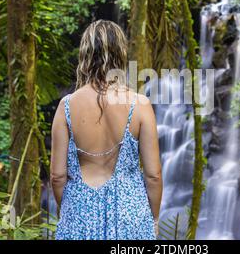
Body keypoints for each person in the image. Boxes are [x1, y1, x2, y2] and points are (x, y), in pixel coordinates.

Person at [50, 20, 162, 240]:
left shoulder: (66, 106)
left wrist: (70, 209)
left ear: (84, 56)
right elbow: (154, 175)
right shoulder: (139, 105)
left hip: (78, 214)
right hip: (131, 218)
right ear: (121, 54)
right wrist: (154, 219)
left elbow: (57, 176)